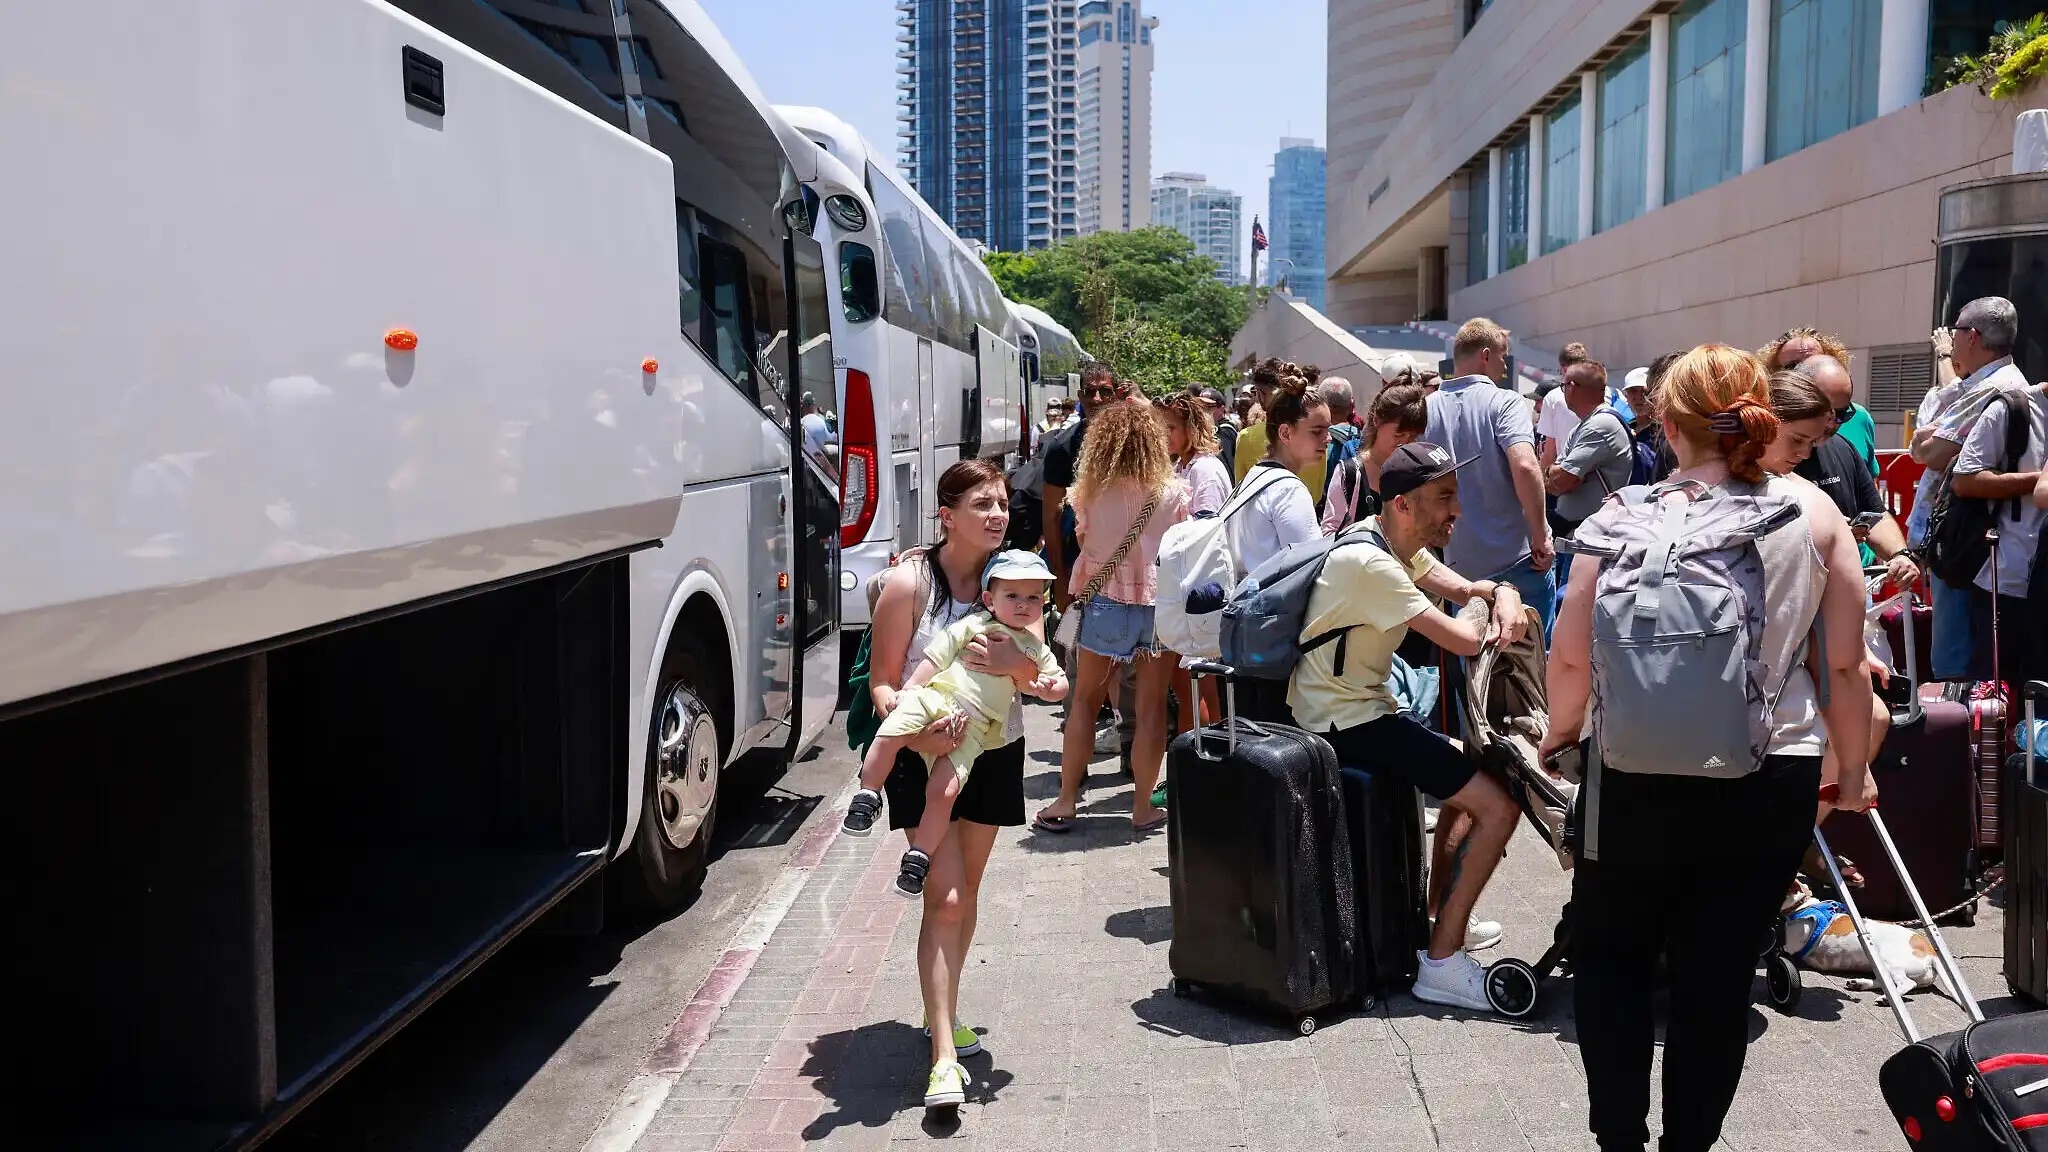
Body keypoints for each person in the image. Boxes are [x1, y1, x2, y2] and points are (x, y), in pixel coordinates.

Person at [1543, 344, 1874, 1152]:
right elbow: (1845, 666)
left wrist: (1559, 734)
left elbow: (1571, 654)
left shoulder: (1619, 515)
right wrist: (1853, 772)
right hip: (1771, 765)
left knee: (1613, 960)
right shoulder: (1814, 515)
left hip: (1630, 766)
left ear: (1665, 423)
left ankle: (1618, 1139)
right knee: (1718, 975)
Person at [1289, 442, 1530, 1007]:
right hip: (1345, 723)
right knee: (1500, 805)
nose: (1457, 511)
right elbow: (1466, 637)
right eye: (1444, 498)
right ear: (1402, 504)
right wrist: (1499, 600)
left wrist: (1502, 590)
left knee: (1474, 771)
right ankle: (1441, 962)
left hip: (1360, 710)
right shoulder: (1371, 564)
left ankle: (1438, 917)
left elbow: (1466, 589)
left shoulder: (1394, 543)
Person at [861, 460, 1061, 1109]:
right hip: (924, 756)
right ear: (947, 515)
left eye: (1001, 502)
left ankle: (939, 1007)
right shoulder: (909, 582)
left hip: (995, 750)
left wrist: (1011, 663)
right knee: (944, 899)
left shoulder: (1018, 575)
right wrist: (919, 733)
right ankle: (943, 1057)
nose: (998, 514)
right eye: (982, 504)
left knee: (966, 893)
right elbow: (883, 684)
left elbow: (1038, 672)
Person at [849, 551, 1068, 895]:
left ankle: (918, 857)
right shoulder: (974, 624)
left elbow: (1053, 683)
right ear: (989, 600)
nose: (1023, 605)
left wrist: (1047, 687)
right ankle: (868, 793)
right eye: (1013, 596)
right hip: (936, 698)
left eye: (1033, 598)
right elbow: (936, 657)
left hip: (971, 729)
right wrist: (910, 690)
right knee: (890, 732)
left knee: (945, 790)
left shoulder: (1032, 647)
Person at [1033, 402, 1191, 836]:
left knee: (1085, 701)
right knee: (1151, 705)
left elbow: (1083, 539)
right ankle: (1142, 808)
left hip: (1104, 602)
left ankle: (1066, 800)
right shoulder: (1174, 493)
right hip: (1158, 607)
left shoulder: (1089, 492)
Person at [1909, 297, 2029, 680]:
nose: (1951, 340)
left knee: (1954, 652)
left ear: (1972, 336)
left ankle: (1955, 713)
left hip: (1963, 537)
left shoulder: (1993, 388)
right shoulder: (1992, 383)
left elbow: (1930, 452)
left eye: (1956, 331)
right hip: (1971, 536)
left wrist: (1926, 440)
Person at [1424, 318, 1556, 632]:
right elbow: (1525, 466)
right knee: (1532, 655)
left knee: (1474, 655)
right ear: (1485, 355)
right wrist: (1541, 534)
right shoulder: (1505, 402)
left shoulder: (1426, 408)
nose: (1504, 365)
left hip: (1460, 570)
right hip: (1517, 562)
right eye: (1502, 356)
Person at [1951, 374, 2045, 686]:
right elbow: (1964, 480)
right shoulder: (2014, 409)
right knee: (1993, 692)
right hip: (2006, 580)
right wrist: (2039, 482)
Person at [1784, 355, 1914, 571]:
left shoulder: (1843, 448)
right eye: (1824, 412)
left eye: (1842, 414)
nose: (1832, 423)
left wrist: (1899, 555)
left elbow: (1876, 514)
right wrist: (1829, 533)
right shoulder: (1764, 456)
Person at [1226, 363, 1331, 572]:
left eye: (1328, 429)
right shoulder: (1289, 491)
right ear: (1285, 433)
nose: (1327, 438)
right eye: (1317, 431)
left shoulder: (1254, 477)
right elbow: (1310, 570)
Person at [1762, 325, 1874, 474]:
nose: (1805, 374)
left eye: (1816, 362)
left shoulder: (1859, 418)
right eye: (1793, 366)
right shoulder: (1760, 420)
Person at [1544, 360, 1634, 538]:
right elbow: (1556, 480)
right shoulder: (1585, 425)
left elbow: (1562, 481)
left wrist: (1555, 474)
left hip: (1592, 539)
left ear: (1571, 387)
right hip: (1577, 533)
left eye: (1563, 386)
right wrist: (1556, 474)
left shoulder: (1599, 426)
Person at [1323, 382, 1429, 534]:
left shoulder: (1418, 474)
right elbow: (1330, 532)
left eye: (1413, 437)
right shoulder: (1350, 474)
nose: (1404, 443)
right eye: (1398, 435)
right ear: (1377, 420)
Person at [1160, 391, 1232, 517]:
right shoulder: (1179, 465)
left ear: (1191, 428)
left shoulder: (1205, 470)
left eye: (1170, 428)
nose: (1163, 434)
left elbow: (1209, 525)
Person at [1194, 385, 1237, 475]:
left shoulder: (1224, 431)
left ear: (1221, 409)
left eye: (1208, 406)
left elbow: (1226, 466)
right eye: (1199, 405)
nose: (1201, 410)